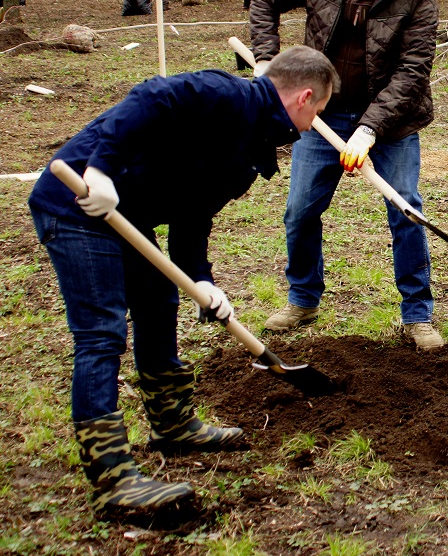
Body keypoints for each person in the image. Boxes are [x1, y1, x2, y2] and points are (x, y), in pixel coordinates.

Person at [27, 46, 337, 518]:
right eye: (318, 113)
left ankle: (171, 425)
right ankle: (112, 479)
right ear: (305, 97)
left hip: (128, 216)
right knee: (103, 333)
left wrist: (202, 279)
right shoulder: (227, 95)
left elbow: (193, 214)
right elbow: (149, 97)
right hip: (76, 204)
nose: (311, 125)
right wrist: (101, 169)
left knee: (158, 302)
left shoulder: (249, 150)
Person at [249, 0, 444, 351]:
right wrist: (266, 60)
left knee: (406, 207)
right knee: (300, 209)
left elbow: (414, 71)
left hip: (391, 122)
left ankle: (417, 314)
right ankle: (303, 298)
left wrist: (371, 128)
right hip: (321, 115)